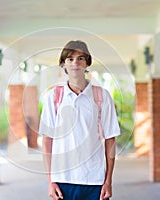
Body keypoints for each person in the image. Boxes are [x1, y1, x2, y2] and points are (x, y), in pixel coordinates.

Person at [39, 40, 120, 200]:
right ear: (63, 64)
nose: (75, 62)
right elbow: (47, 140)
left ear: (87, 63)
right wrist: (50, 181)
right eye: (70, 59)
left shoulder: (102, 96)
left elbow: (110, 139)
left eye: (80, 58)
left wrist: (108, 180)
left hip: (94, 180)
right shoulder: (53, 97)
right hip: (63, 180)